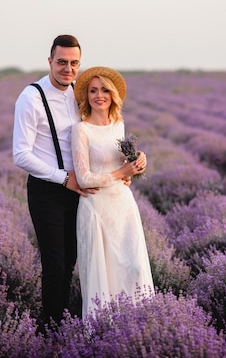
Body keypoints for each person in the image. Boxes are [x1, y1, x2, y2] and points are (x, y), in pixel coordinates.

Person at [13, 34, 90, 326]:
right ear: (50, 61)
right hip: (47, 191)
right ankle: (51, 331)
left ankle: (65, 319)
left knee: (72, 261)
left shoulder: (79, 93)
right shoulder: (31, 97)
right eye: (61, 62)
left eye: (74, 63)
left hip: (81, 189)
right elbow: (21, 154)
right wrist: (62, 178)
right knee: (55, 265)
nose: (68, 69)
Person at [71, 66, 154, 319]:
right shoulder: (81, 130)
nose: (99, 95)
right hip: (96, 207)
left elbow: (124, 166)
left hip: (123, 206)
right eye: (93, 91)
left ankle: (138, 324)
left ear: (113, 95)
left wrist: (139, 161)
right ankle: (103, 334)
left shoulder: (119, 125)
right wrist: (120, 174)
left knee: (134, 266)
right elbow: (84, 178)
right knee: (103, 274)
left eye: (105, 90)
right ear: (86, 96)